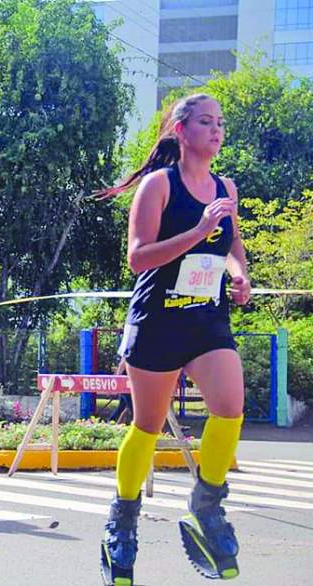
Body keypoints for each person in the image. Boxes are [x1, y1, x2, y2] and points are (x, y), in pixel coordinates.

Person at [96, 94, 250, 585]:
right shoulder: (158, 186)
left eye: (220, 123)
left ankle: (206, 507)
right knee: (146, 426)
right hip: (158, 320)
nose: (216, 130)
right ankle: (122, 521)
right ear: (181, 131)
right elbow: (139, 258)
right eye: (206, 121)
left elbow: (232, 247)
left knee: (230, 406)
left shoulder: (226, 188)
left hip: (207, 321)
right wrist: (199, 228)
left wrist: (240, 274)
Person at [108, 357, 133, 423]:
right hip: (126, 384)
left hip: (129, 384)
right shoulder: (129, 354)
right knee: (132, 408)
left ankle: (111, 422)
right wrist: (117, 380)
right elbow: (122, 364)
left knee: (121, 407)